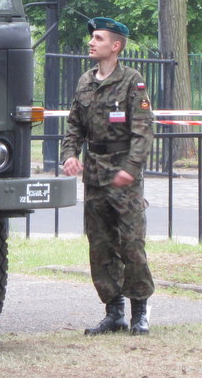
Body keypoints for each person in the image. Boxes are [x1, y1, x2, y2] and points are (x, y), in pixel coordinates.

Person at [60, 17, 155, 335]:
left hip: (123, 176)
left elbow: (143, 131)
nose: (91, 42)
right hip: (96, 176)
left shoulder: (132, 81)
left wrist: (131, 169)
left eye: (98, 38)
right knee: (100, 247)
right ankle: (114, 312)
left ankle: (140, 311)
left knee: (131, 245)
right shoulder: (85, 81)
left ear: (115, 46)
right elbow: (74, 126)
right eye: (92, 38)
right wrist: (70, 156)